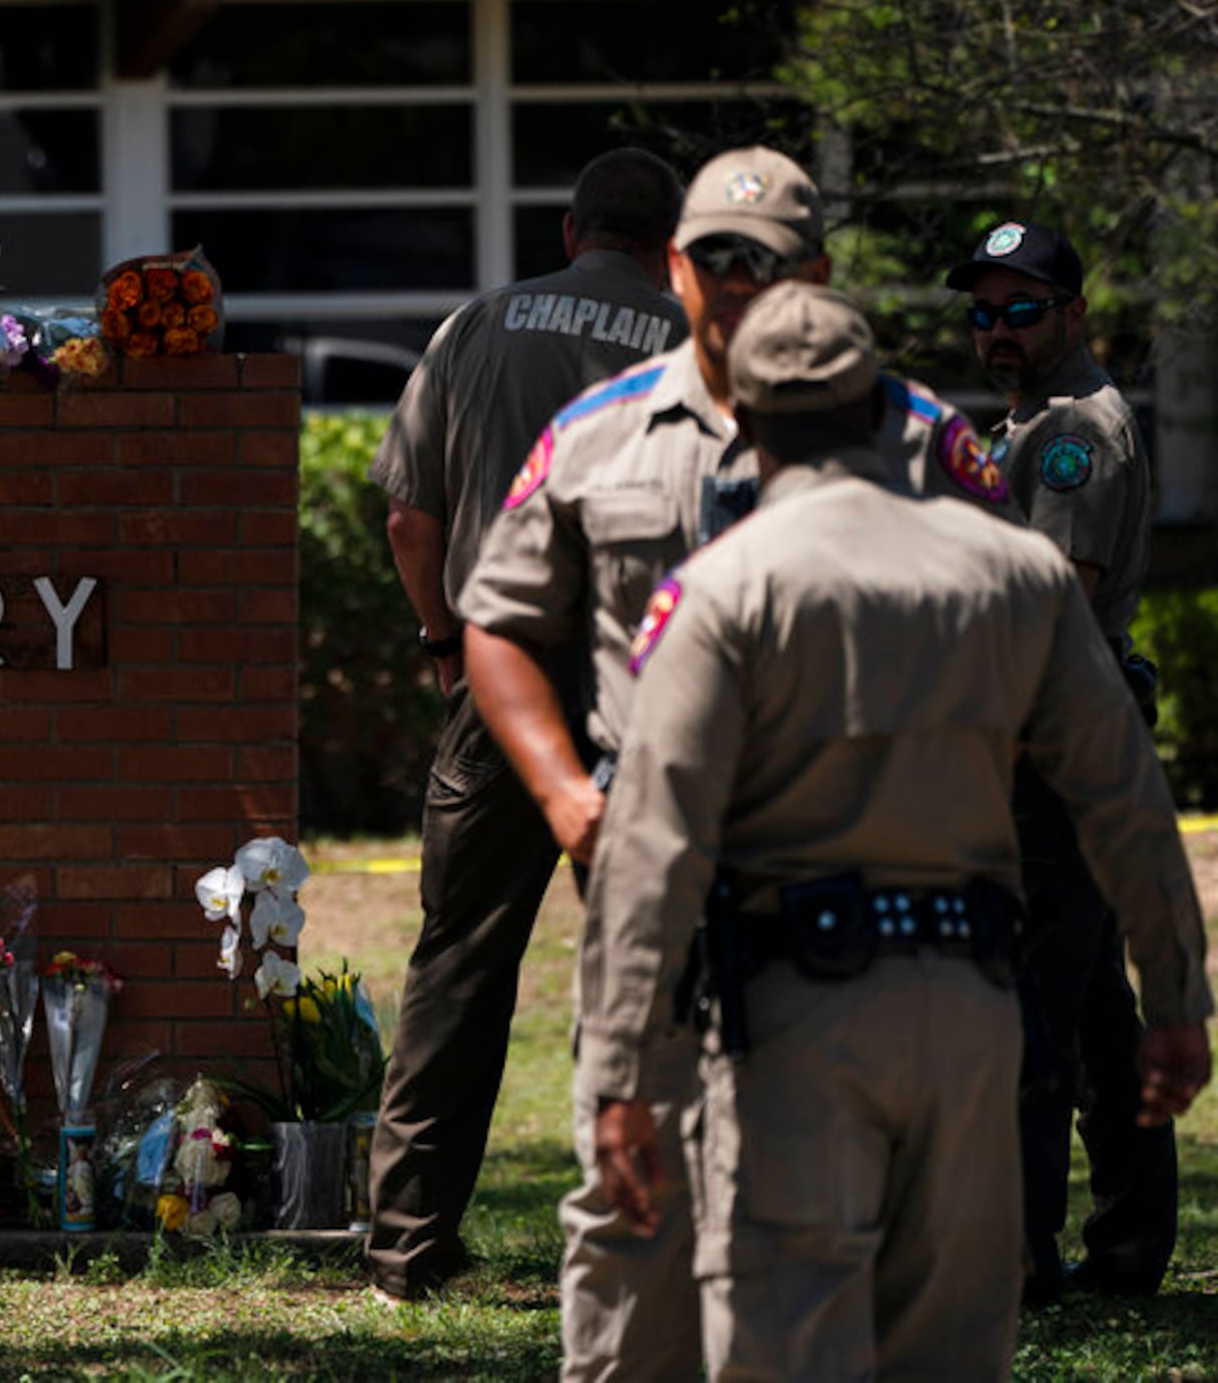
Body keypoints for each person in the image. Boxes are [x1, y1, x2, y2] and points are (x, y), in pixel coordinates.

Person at [456, 146, 1014, 1381]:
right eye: (712, 257)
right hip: (654, 887)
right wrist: (561, 789)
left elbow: (1020, 622)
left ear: (814, 273)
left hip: (858, 903)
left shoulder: (916, 437)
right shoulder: (598, 435)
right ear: (671, 266)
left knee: (843, 1240)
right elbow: (493, 619)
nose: (734, 281)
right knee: (636, 1212)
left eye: (763, 262)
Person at [582, 282, 1209, 1379]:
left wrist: (627, 1068)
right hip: (968, 1018)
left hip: (791, 1014)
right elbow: (1123, 799)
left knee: (786, 1336)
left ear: (748, 423)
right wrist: (1175, 1000)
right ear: (882, 409)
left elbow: (653, 847)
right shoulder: (1017, 576)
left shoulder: (721, 589)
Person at [362, 147, 686, 1300]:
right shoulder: (694, 344)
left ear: (568, 230)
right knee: (657, 969)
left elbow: (408, 517)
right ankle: (659, 1241)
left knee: (457, 960)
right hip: (648, 691)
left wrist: (451, 647)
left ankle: (404, 1242)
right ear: (669, 241)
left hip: (498, 685)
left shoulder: (469, 330)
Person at [945, 219, 1170, 1300]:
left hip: (1050, 752)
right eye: (982, 310)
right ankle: (1127, 1243)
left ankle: (1019, 1257)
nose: (996, 329)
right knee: (1085, 1008)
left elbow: (1052, 600)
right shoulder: (1032, 420)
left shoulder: (1074, 429)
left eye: (1020, 308)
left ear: (1073, 312)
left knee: (1027, 1006)